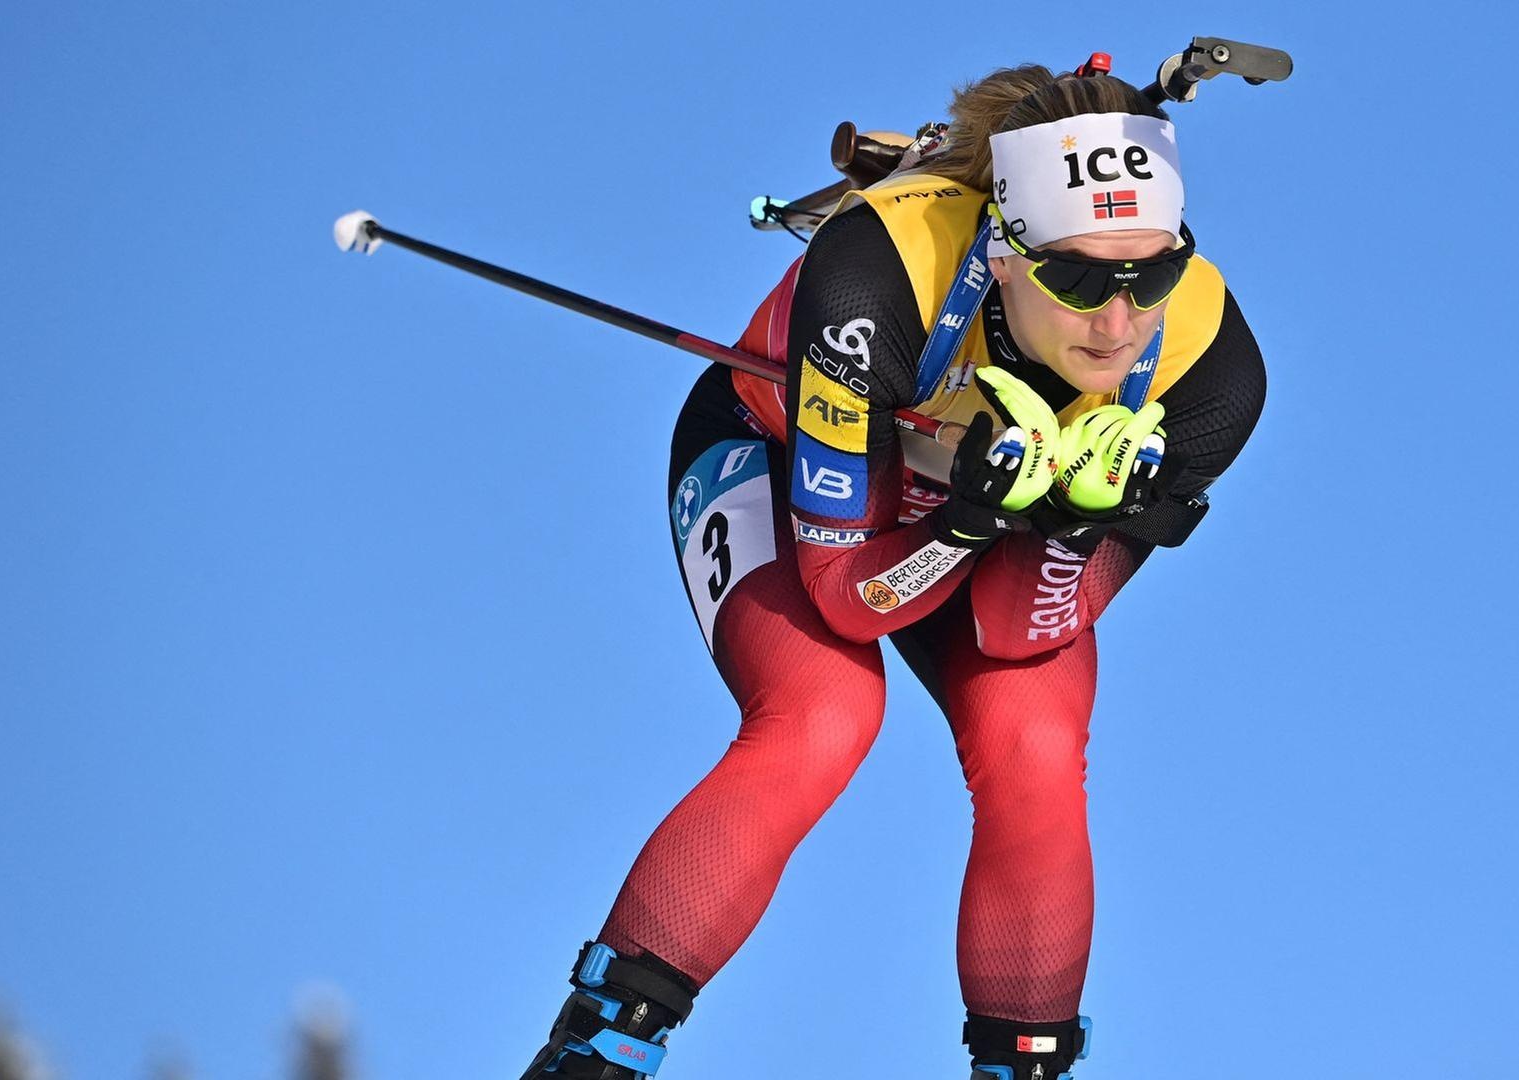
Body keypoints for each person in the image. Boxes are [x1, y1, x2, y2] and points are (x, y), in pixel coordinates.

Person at [520, 61, 1267, 1080]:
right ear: (1005, 253)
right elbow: (846, 598)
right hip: (781, 470)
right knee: (823, 716)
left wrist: (1064, 529)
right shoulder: (879, 272)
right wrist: (966, 526)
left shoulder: (1212, 367)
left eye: (1153, 272)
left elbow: (1019, 632)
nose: (1119, 320)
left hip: (976, 525)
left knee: (1036, 746)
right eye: (1082, 278)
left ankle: (1025, 1064)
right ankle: (599, 1050)